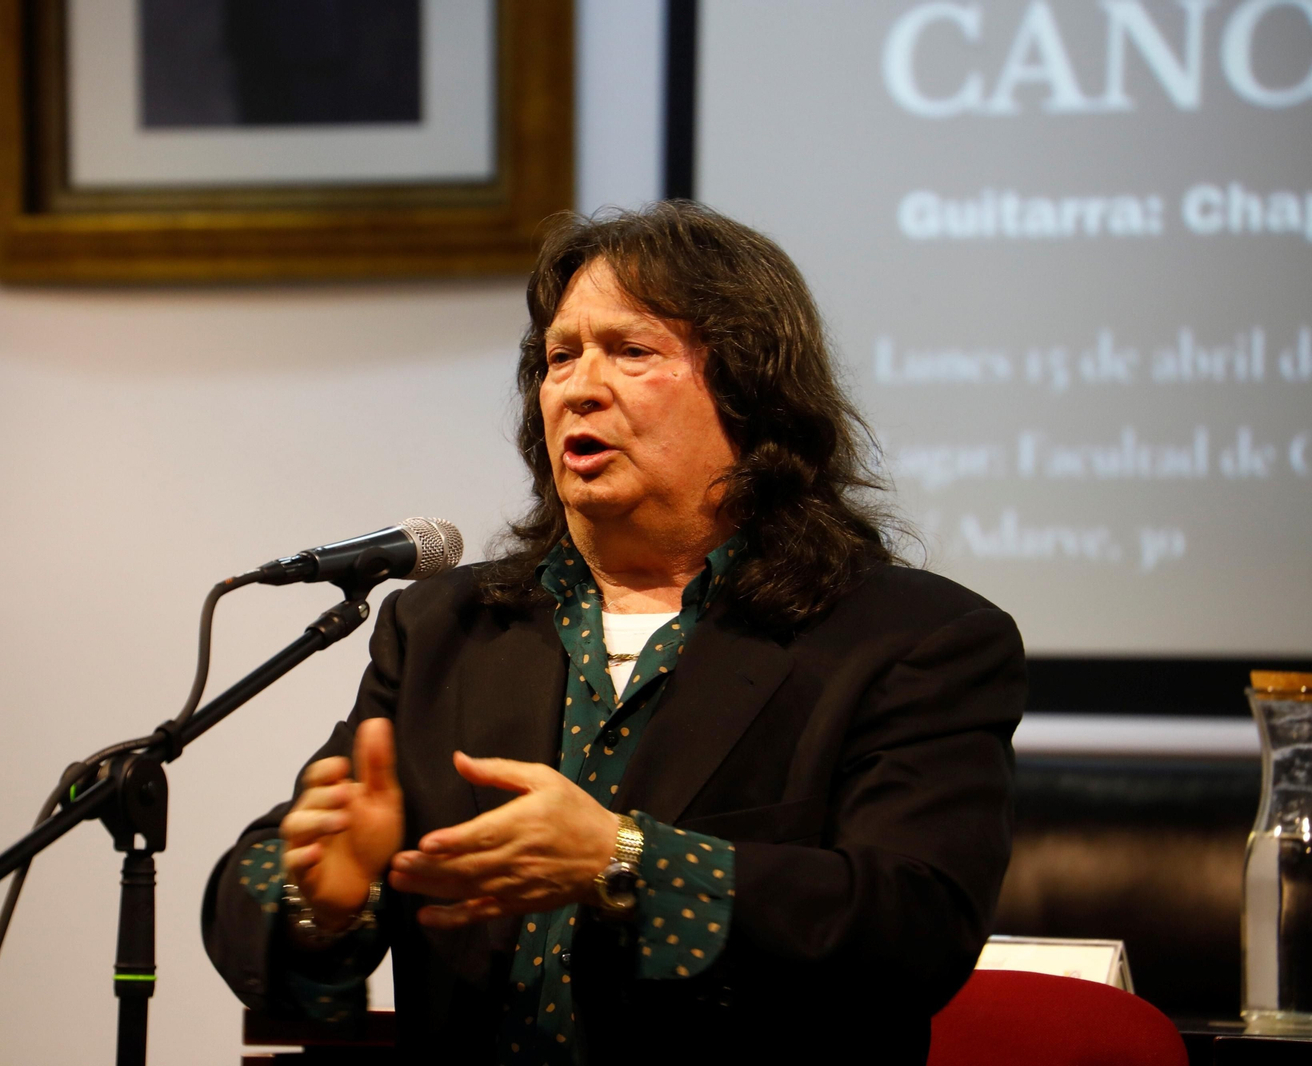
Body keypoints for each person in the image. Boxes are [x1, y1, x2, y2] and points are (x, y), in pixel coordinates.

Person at [202, 202, 1025, 1064]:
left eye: (632, 351)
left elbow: (915, 926)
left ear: (751, 394)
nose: (579, 387)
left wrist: (625, 859)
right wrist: (323, 902)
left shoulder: (911, 640)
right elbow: (261, 889)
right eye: (560, 357)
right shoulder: (445, 629)